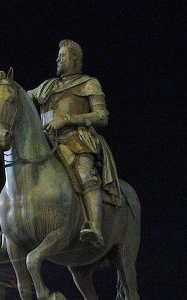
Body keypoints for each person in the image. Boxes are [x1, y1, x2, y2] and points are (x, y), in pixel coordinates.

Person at [28, 39, 121, 249]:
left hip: (77, 141)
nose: (57, 59)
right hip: (46, 144)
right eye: (58, 56)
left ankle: (95, 228)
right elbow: (23, 98)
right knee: (21, 176)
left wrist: (67, 119)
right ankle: (6, 235)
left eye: (62, 56)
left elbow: (101, 116)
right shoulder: (48, 85)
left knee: (84, 174)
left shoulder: (89, 83)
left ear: (75, 58)